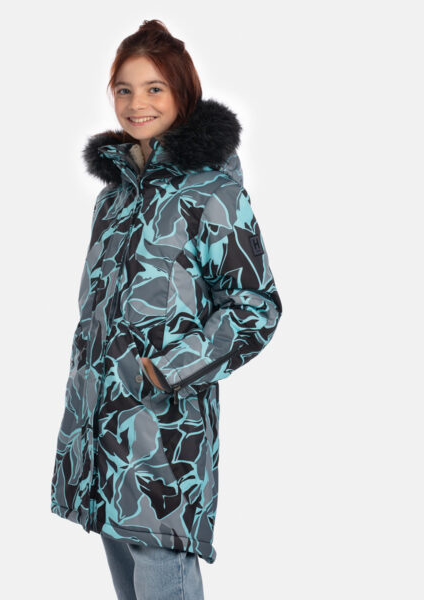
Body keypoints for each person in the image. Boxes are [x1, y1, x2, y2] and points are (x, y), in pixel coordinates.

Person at [51, 19, 283, 599]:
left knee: (163, 576)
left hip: (165, 438)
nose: (137, 103)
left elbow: (255, 306)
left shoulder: (212, 191)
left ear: (182, 92)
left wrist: (166, 371)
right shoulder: (113, 197)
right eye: (124, 89)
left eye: (154, 88)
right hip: (100, 428)